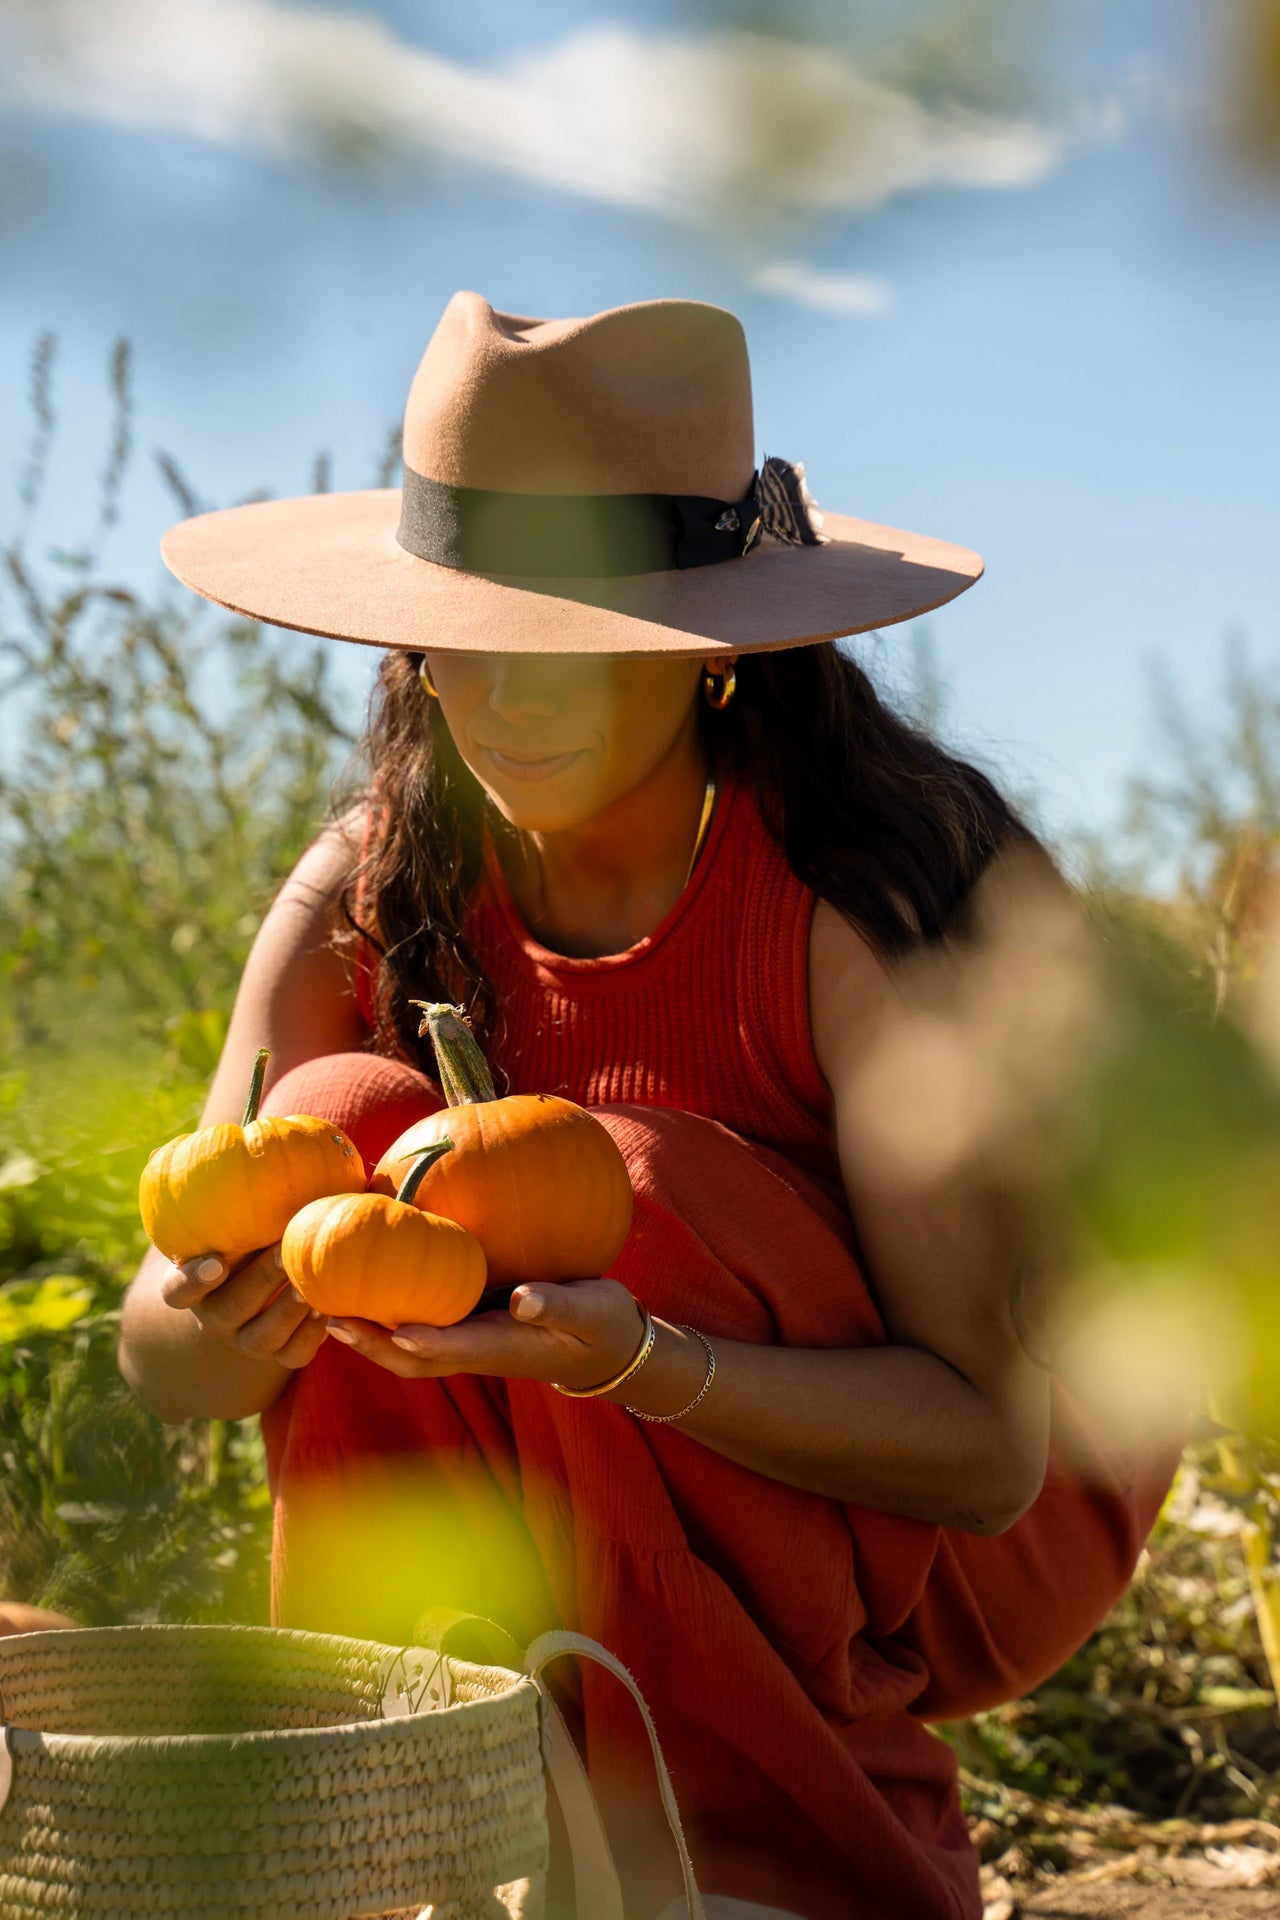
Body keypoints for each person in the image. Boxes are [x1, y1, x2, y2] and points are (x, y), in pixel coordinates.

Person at [119, 292, 1177, 1920]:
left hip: (955, 1504)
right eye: (475, 633)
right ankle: (418, 1824)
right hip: (579, 1432)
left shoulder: (854, 902)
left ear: (723, 656)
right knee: (336, 1113)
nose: (519, 696)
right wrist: (238, 1307)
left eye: (587, 637)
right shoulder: (372, 880)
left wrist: (634, 1357)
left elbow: (985, 1451)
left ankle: (769, 1862)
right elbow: (159, 1356)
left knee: (611, 1175)